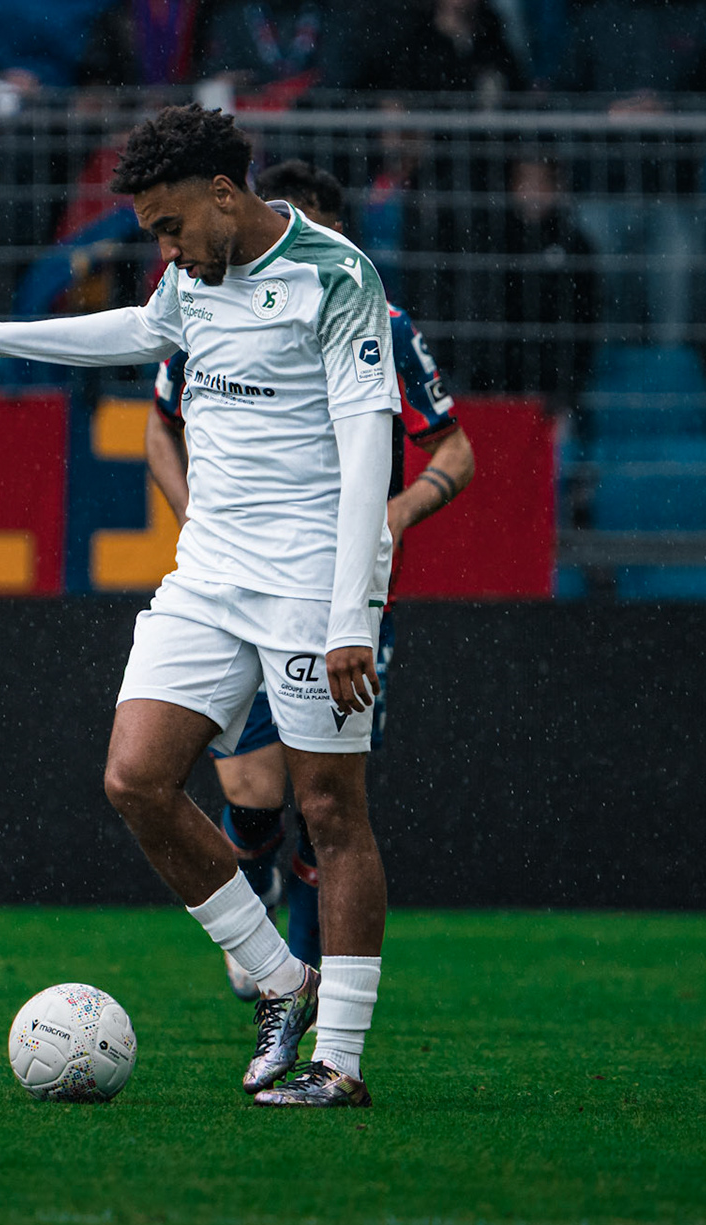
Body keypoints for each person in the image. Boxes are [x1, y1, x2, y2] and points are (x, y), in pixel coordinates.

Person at [0, 105, 397, 1108]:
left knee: (331, 813)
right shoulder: (193, 276)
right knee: (136, 776)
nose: (165, 249)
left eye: (170, 225)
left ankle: (339, 1060)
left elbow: (367, 453)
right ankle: (280, 976)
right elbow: (136, 332)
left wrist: (352, 609)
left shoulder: (339, 275)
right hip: (209, 572)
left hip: (312, 581)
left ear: (226, 194)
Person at [142, 158, 474, 997]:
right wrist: (204, 522)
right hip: (231, 580)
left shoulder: (373, 314)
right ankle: (271, 968)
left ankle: (316, 992)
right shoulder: (209, 295)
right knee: (250, 793)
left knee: (322, 809)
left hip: (333, 591)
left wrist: (393, 517)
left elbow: (455, 449)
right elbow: (159, 425)